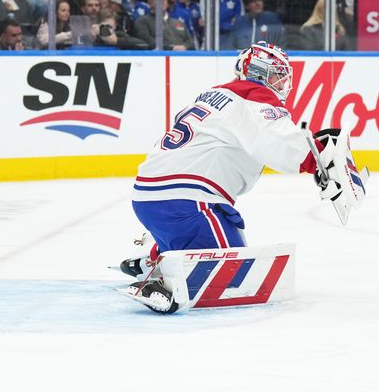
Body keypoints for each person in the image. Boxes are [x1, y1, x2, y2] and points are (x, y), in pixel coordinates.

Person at [119, 41, 343, 313]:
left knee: (229, 243)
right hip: (187, 202)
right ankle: (163, 279)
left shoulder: (215, 95)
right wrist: (318, 159)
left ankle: (159, 254)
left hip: (152, 196)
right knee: (236, 278)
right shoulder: (254, 95)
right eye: (276, 75)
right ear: (259, 73)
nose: (282, 83)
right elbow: (278, 142)